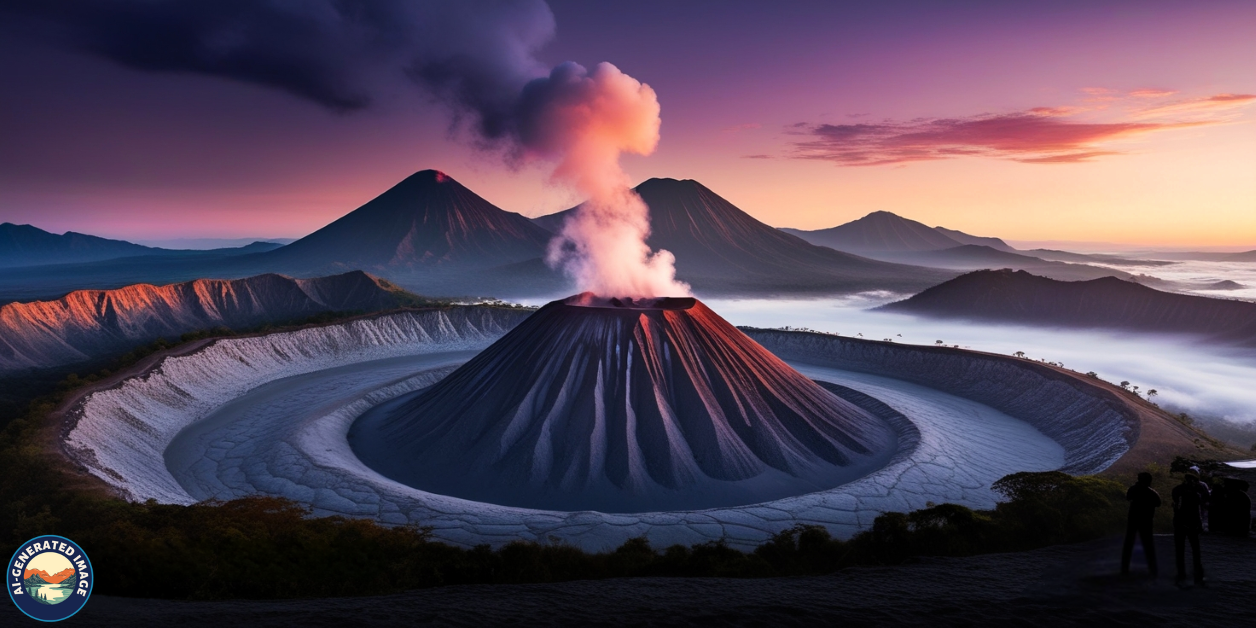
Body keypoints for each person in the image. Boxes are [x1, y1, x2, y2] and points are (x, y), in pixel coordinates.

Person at [1172, 472, 1209, 585]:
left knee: (1180, 550)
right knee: (1195, 550)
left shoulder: (1177, 489)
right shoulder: (1197, 492)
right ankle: (1198, 575)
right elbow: (1200, 507)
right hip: (1192, 523)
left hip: (1180, 522)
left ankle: (1181, 574)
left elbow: (1175, 505)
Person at [1121, 471, 1160, 577]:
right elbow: (1158, 503)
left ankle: (1124, 569)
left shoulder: (1133, 489)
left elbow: (1128, 497)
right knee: (1148, 545)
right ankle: (1152, 569)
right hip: (1146, 520)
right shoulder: (1151, 492)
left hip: (1133, 519)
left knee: (1128, 544)